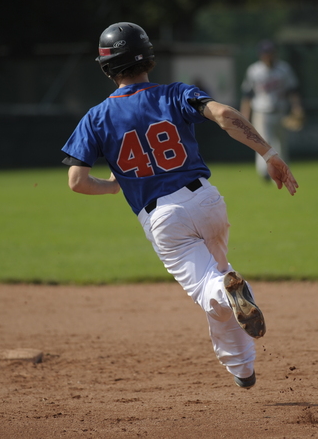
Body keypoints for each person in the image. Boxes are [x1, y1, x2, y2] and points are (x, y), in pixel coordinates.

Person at [60, 22, 298, 389]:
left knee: (211, 291)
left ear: (107, 66)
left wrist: (111, 189)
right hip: (207, 200)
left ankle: (229, 294)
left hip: (164, 219)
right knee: (220, 276)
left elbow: (76, 181)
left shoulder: (97, 117)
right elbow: (223, 115)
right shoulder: (174, 93)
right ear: (148, 58)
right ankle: (244, 369)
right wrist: (269, 153)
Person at [240, 40, 305, 181]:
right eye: (265, 53)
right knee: (263, 143)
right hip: (261, 112)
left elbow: (292, 90)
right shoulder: (254, 70)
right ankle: (265, 173)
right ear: (260, 55)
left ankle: (282, 171)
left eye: (270, 53)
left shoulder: (284, 69)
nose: (267, 55)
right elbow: (247, 94)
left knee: (281, 144)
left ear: (275, 53)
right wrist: (245, 114)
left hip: (281, 111)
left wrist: (297, 107)